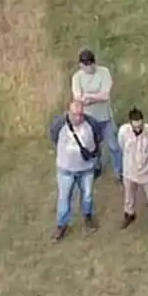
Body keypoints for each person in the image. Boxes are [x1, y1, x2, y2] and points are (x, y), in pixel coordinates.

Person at [50, 99, 100, 239]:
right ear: (68, 113)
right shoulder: (59, 124)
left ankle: (88, 217)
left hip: (86, 169)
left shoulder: (91, 123)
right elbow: (54, 137)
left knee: (87, 195)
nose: (78, 118)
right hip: (66, 169)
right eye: (75, 115)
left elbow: (97, 140)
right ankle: (62, 224)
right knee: (64, 197)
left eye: (81, 115)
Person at [72, 49, 116, 179]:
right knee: (93, 146)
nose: (89, 68)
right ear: (81, 65)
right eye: (86, 65)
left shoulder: (104, 72)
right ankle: (96, 167)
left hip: (105, 117)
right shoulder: (77, 77)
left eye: (91, 64)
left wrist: (89, 97)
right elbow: (78, 97)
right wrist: (95, 97)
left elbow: (105, 95)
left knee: (114, 146)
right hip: (88, 119)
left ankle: (119, 171)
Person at [117, 108, 148, 228]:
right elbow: (121, 145)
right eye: (135, 127)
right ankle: (129, 214)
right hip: (130, 170)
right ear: (130, 123)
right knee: (129, 194)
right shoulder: (123, 131)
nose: (138, 129)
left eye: (140, 126)